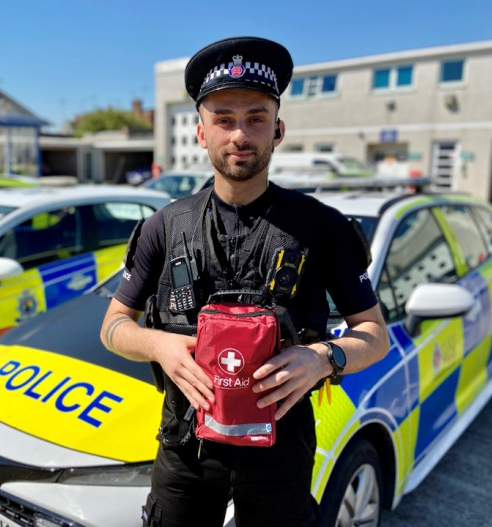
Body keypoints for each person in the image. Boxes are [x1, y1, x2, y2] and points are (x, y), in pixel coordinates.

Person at [100, 36, 390, 527]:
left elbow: (375, 335)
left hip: (281, 451)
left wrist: (325, 357)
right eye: (224, 119)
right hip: (184, 449)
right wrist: (159, 346)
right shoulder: (165, 226)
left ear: (277, 130)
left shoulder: (324, 228)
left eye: (256, 118)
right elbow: (112, 326)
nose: (240, 134)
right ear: (201, 132)